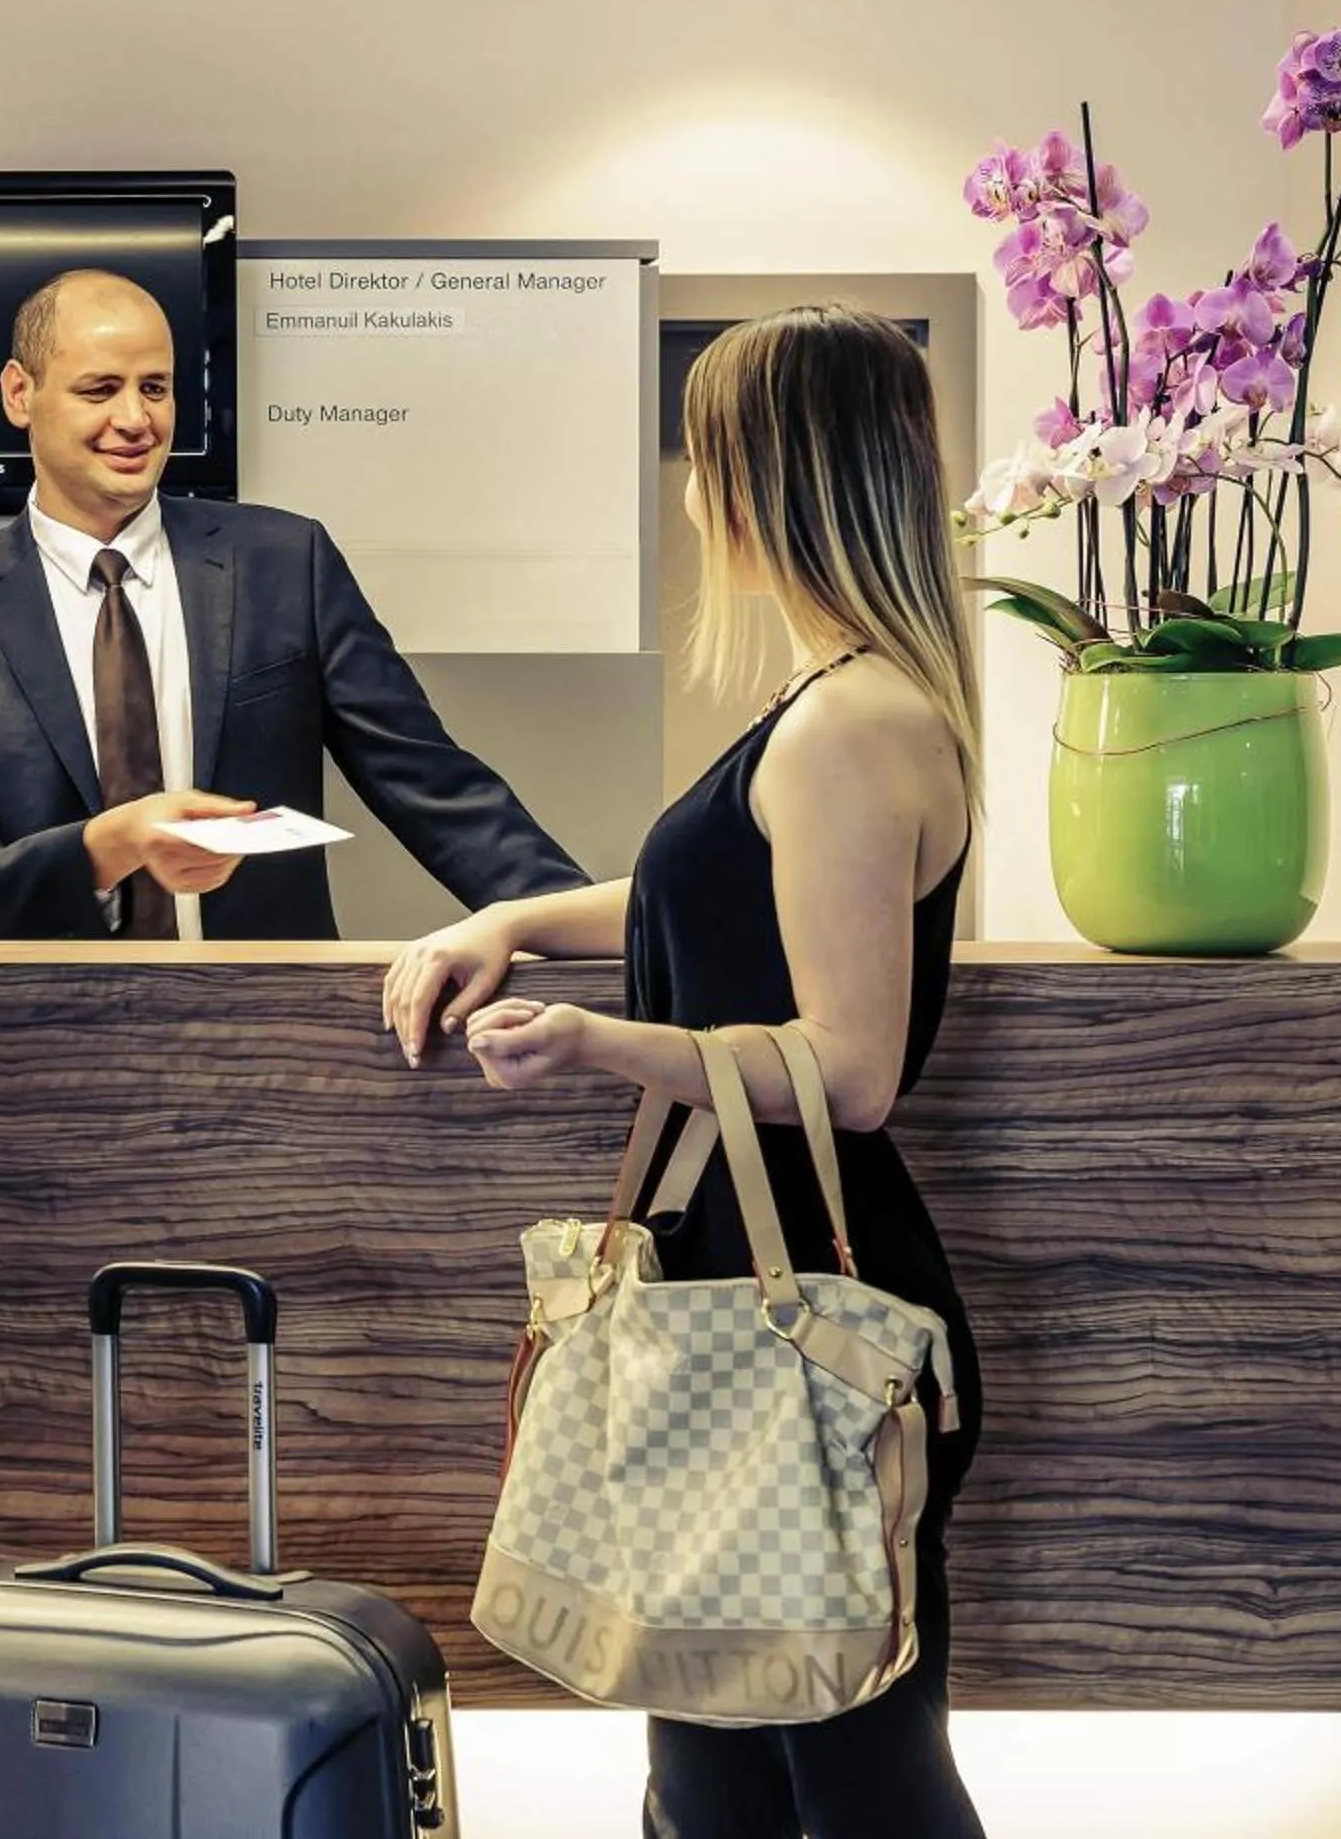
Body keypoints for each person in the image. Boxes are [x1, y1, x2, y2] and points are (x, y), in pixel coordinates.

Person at [383, 304, 986, 1839]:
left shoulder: (850, 723)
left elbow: (849, 1072)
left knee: (851, 1774)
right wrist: (515, 916)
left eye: (706, 458)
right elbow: (697, 899)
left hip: (809, 1315)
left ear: (761, 478)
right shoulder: (841, 702)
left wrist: (593, 1040)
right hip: (742, 1300)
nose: (694, 497)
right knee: (714, 1770)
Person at [0, 266, 582, 939]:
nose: (135, 418)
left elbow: (434, 787)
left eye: (155, 387)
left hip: (269, 1028)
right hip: (50, 1040)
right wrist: (107, 846)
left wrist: (606, 941)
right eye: (100, 390)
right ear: (19, 394)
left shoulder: (284, 564)